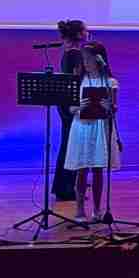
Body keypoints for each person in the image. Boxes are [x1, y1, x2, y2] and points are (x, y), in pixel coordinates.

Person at [65, 41, 121, 222]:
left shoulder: (110, 82)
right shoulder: (78, 81)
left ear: (99, 59)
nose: (86, 62)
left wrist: (108, 106)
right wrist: (79, 107)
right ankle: (79, 209)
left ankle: (97, 210)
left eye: (89, 59)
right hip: (82, 126)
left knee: (98, 169)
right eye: (84, 59)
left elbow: (114, 109)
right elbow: (70, 109)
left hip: (101, 127)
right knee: (82, 168)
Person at [52, 19, 87, 201]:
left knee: (68, 144)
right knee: (71, 145)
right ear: (79, 34)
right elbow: (77, 79)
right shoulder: (75, 54)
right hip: (72, 103)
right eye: (85, 30)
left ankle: (63, 186)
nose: (88, 33)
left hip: (66, 102)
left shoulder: (69, 52)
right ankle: (66, 188)